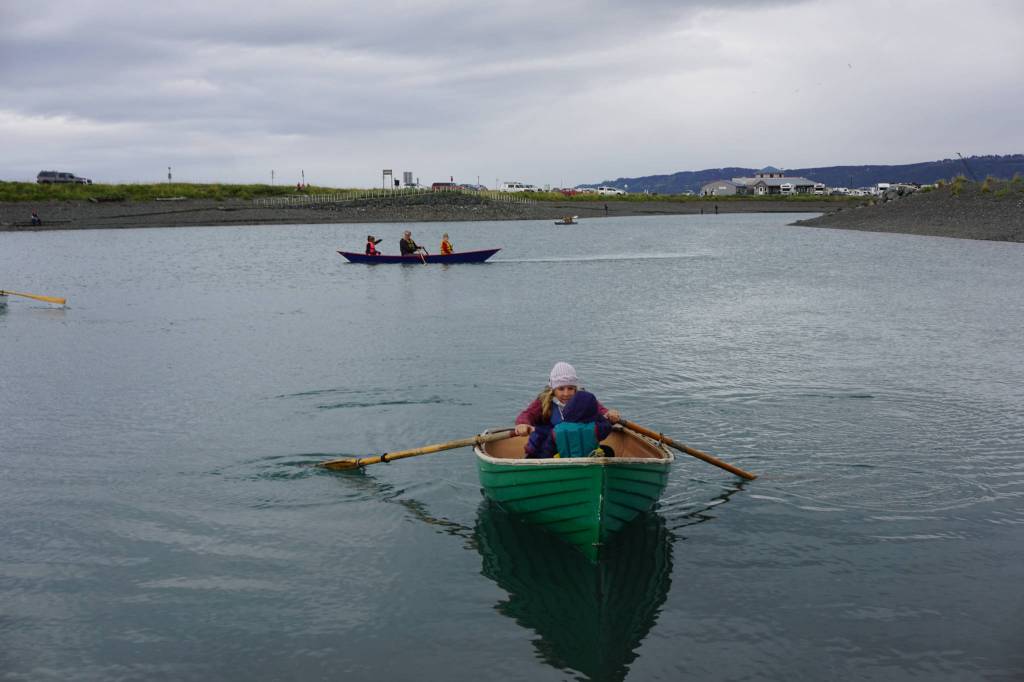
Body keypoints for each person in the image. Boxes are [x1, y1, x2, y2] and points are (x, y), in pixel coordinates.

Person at [514, 362, 620, 458]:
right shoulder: (543, 402)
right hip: (549, 450)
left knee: (608, 452)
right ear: (553, 389)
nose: (566, 393)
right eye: (561, 389)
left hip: (576, 450)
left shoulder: (582, 400)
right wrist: (522, 424)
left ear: (575, 388)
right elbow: (528, 414)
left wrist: (609, 413)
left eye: (570, 388)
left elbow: (599, 409)